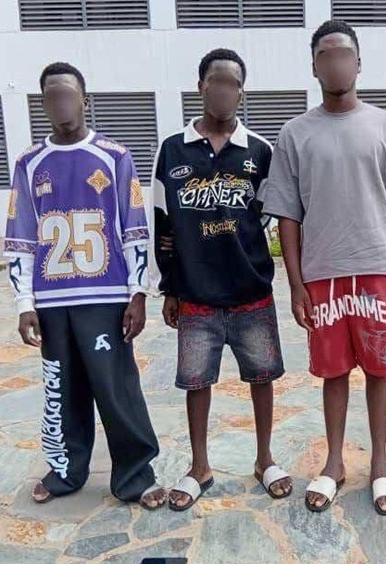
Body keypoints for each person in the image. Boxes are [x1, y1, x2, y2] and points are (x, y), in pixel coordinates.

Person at [259, 20, 386, 516]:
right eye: (325, 55)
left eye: (344, 54)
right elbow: (287, 216)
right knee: (332, 372)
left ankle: (380, 464)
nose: (336, 63)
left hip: (377, 271)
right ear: (314, 66)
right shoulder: (295, 133)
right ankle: (333, 462)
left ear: (358, 63)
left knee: (379, 369)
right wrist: (296, 285)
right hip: (322, 275)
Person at [4, 62, 167, 509]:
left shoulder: (114, 157)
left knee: (116, 389)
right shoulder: (29, 163)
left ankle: (135, 475)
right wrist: (24, 302)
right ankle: (65, 471)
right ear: (43, 104)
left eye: (68, 95)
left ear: (85, 101)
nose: (61, 103)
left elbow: (135, 228)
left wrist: (138, 293)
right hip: (52, 301)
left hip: (105, 297)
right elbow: (20, 236)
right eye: (52, 96)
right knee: (62, 391)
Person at [152, 48, 290, 511]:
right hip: (196, 292)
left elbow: (268, 216)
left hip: (251, 289)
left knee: (262, 376)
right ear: (201, 86)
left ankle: (265, 459)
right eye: (216, 81)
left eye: (233, 83)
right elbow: (164, 222)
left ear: (241, 92)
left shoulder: (260, 151)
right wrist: (170, 287)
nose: (224, 90)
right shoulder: (173, 149)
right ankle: (199, 467)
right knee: (196, 382)